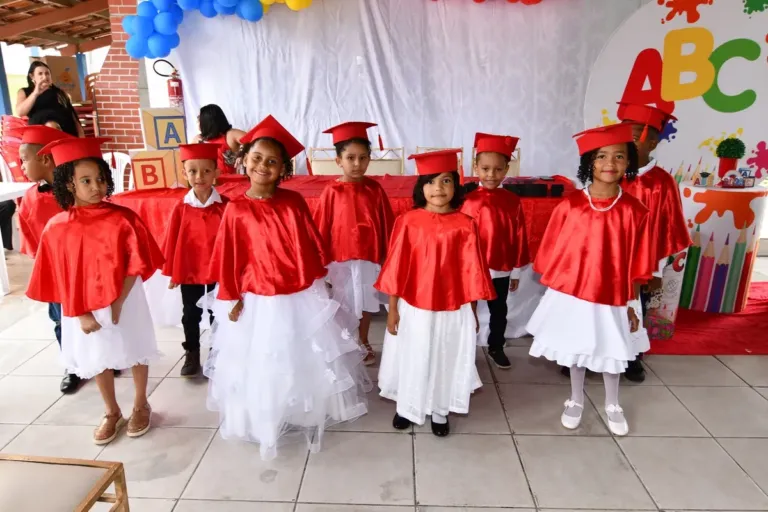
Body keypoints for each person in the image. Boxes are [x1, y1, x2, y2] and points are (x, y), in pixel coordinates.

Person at [205, 115, 371, 460]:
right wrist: (232, 295)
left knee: (303, 351)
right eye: (256, 158)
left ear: (283, 168)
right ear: (244, 161)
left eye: (272, 161)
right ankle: (268, 417)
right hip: (259, 300)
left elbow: (308, 244)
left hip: (296, 295)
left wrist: (318, 280)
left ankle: (305, 409)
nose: (263, 166)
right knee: (265, 357)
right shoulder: (235, 210)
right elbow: (229, 257)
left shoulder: (293, 202)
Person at [26, 137, 164, 445]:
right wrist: (81, 313)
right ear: (69, 185)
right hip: (83, 305)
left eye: (100, 178)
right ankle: (111, 410)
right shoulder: (57, 227)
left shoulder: (123, 219)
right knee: (98, 355)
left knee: (136, 347)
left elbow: (136, 264)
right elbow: (59, 278)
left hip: (125, 298)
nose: (96, 186)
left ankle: (141, 403)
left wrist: (117, 303)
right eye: (85, 180)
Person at [527, 123, 653, 436]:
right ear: (589, 163)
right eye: (601, 157)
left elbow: (639, 262)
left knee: (611, 350)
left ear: (628, 163)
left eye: (619, 156)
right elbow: (555, 249)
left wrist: (633, 302)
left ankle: (613, 404)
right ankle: (575, 398)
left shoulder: (634, 211)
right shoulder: (570, 205)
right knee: (577, 346)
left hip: (613, 294)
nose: (610, 163)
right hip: (574, 291)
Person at [375, 149, 496, 437]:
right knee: (413, 353)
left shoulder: (465, 225)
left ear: (456, 185)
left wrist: (474, 312)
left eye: (445, 181)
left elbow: (473, 272)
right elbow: (396, 267)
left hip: (452, 306)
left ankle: (440, 410)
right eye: (430, 182)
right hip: (414, 305)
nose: (438, 189)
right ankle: (407, 405)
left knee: (444, 353)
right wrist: (393, 309)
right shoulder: (407, 222)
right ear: (421, 187)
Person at [617, 102, 691, 382]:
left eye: (636, 136)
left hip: (643, 262)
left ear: (653, 141)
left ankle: (633, 357)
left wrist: (657, 269)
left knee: (638, 306)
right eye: (625, 135)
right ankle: (592, 355)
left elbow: (668, 229)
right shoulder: (609, 176)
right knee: (600, 307)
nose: (628, 142)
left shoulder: (662, 183)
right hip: (608, 258)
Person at [313, 121, 395, 365]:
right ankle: (344, 342)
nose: (357, 164)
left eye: (363, 157)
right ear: (338, 160)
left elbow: (386, 224)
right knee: (343, 302)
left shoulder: (375, 190)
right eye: (350, 157)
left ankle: (363, 340)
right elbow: (321, 228)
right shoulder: (331, 192)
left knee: (367, 301)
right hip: (340, 259)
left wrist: (386, 256)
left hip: (369, 257)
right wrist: (322, 263)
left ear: (370, 159)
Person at [10, 125, 82, 393]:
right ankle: (72, 365)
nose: (20, 165)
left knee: (96, 314)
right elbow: (31, 241)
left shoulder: (78, 193)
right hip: (54, 272)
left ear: (44, 158)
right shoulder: (29, 199)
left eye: (24, 158)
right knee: (60, 318)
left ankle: (104, 360)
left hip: (84, 268)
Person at [461, 133, 530, 369]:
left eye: (498, 169)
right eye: (486, 169)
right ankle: (463, 346)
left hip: (500, 267)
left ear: (507, 169)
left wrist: (517, 271)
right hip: (471, 267)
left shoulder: (512, 201)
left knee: (498, 309)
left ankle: (496, 345)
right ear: (476, 167)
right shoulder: (466, 200)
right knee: (467, 309)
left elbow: (520, 234)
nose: (491, 175)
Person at [161, 143, 227, 377]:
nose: (199, 177)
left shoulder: (225, 207)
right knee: (190, 314)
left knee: (216, 314)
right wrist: (173, 272)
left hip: (219, 272)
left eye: (206, 171)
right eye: (193, 171)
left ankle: (217, 353)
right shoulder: (181, 207)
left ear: (216, 172)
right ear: (185, 173)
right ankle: (192, 353)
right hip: (190, 273)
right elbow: (173, 241)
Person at [16, 61, 84, 138]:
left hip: (66, 131)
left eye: (47, 73)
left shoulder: (60, 93)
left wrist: (81, 137)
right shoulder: (25, 92)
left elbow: (73, 116)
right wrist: (36, 93)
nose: (45, 77)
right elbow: (20, 112)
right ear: (32, 76)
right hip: (40, 134)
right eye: (40, 74)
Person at [191, 104, 246, 174]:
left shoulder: (230, 135)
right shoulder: (198, 139)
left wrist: (242, 153)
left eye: (199, 119)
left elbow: (254, 140)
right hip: (209, 183)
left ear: (208, 121)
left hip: (232, 182)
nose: (197, 122)